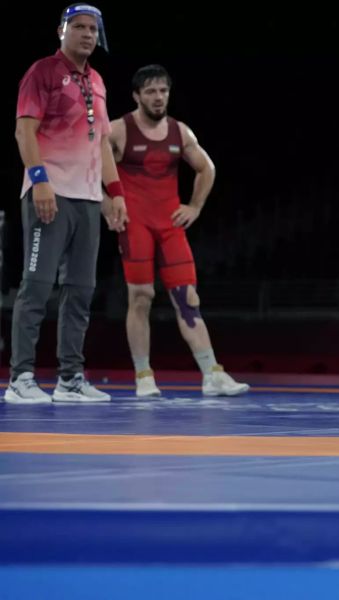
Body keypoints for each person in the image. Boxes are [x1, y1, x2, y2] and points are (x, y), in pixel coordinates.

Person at [4, 4, 127, 404]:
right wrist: (39, 182)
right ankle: (20, 379)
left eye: (93, 29)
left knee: (81, 290)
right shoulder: (42, 72)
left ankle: (70, 379)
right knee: (37, 286)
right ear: (62, 30)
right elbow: (24, 132)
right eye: (79, 27)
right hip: (50, 194)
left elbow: (103, 144)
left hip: (89, 201)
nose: (87, 34)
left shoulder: (98, 81)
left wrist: (115, 194)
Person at [108, 65, 249, 397]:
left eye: (163, 91)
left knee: (188, 299)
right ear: (136, 96)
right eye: (151, 92)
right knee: (140, 298)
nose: (158, 98)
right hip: (136, 225)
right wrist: (107, 204)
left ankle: (212, 374)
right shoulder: (118, 130)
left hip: (170, 226)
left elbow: (207, 168)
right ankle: (143, 376)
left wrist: (195, 206)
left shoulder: (180, 132)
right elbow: (90, 168)